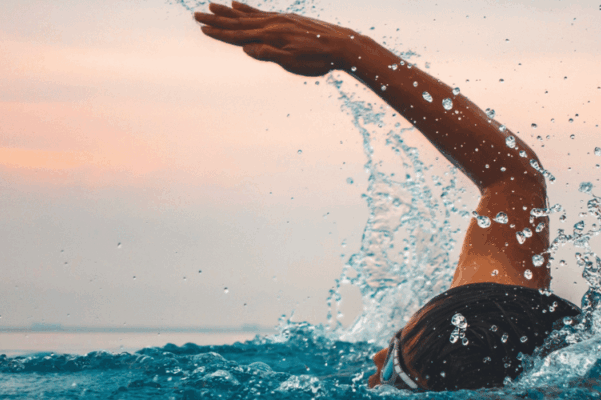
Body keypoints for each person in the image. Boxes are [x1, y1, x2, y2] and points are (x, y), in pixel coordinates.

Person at [195, 2, 581, 391]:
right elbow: (512, 175)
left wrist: (351, 51)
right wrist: (350, 50)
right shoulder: (507, 320)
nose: (377, 361)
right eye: (397, 339)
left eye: (393, 370)